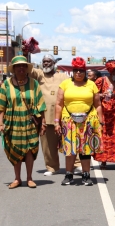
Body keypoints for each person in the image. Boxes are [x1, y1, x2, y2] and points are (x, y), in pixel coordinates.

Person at [28, 54, 83, 176]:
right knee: (47, 144)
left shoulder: (62, 76)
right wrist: (26, 51)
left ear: (53, 63)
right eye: (44, 62)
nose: (46, 64)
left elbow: (74, 86)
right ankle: (52, 167)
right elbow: (28, 69)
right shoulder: (39, 75)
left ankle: (76, 165)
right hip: (45, 116)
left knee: (70, 140)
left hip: (63, 115)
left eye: (48, 61)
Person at [55, 57, 103, 185]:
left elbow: (98, 104)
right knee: (70, 149)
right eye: (76, 70)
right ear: (73, 71)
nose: (78, 73)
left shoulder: (91, 84)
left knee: (86, 149)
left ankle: (86, 175)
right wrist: (56, 122)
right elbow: (59, 104)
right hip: (69, 120)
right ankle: (68, 175)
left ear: (85, 71)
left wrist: (101, 121)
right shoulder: (65, 84)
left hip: (88, 120)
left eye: (81, 70)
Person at [0, 56, 47, 189]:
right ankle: (17, 179)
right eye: (18, 66)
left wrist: (43, 123)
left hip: (30, 122)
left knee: (29, 150)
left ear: (27, 68)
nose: (21, 68)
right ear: (13, 69)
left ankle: (29, 178)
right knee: (15, 149)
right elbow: (1, 106)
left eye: (23, 66)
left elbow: (41, 105)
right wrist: (0, 123)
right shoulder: (6, 84)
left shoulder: (34, 84)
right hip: (12, 122)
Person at [94, 57, 115, 170]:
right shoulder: (101, 81)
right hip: (103, 112)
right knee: (104, 136)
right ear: (112, 71)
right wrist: (101, 95)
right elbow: (93, 95)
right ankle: (103, 161)